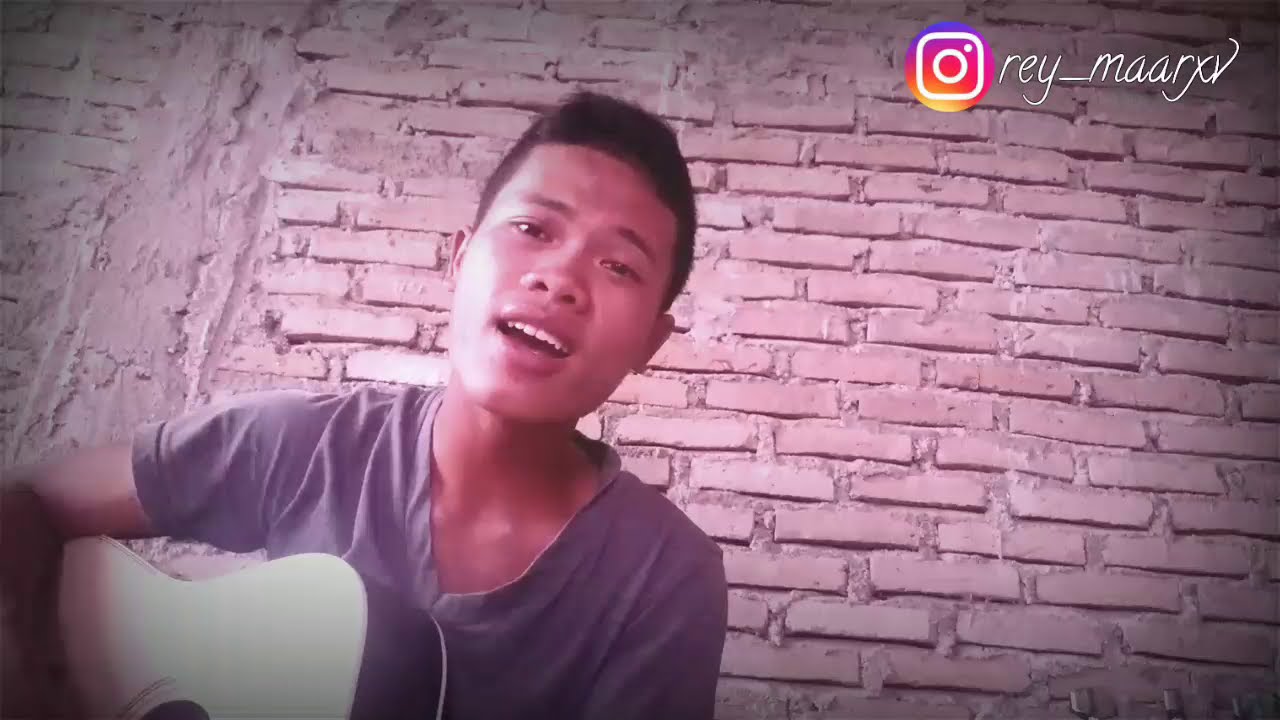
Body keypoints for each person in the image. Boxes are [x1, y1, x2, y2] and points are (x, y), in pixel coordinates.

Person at [0, 90, 729, 720]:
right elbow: (27, 500)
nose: (561, 279)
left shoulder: (664, 580)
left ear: (650, 342)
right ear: (460, 259)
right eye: (534, 229)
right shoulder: (307, 443)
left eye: (619, 265)